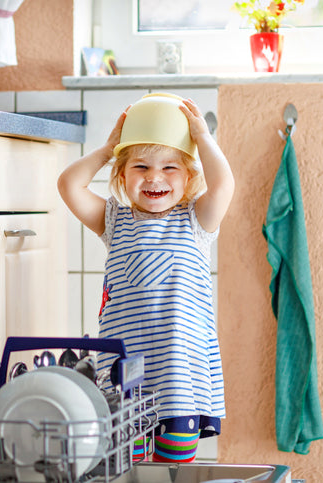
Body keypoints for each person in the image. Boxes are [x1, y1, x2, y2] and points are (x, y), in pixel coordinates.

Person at [57, 93, 234, 463]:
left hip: (181, 379)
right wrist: (107, 149)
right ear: (122, 175)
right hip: (127, 381)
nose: (155, 176)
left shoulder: (196, 220)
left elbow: (223, 186)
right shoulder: (114, 221)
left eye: (170, 168)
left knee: (172, 468)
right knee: (128, 467)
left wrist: (203, 139)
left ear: (188, 178)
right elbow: (69, 185)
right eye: (141, 167)